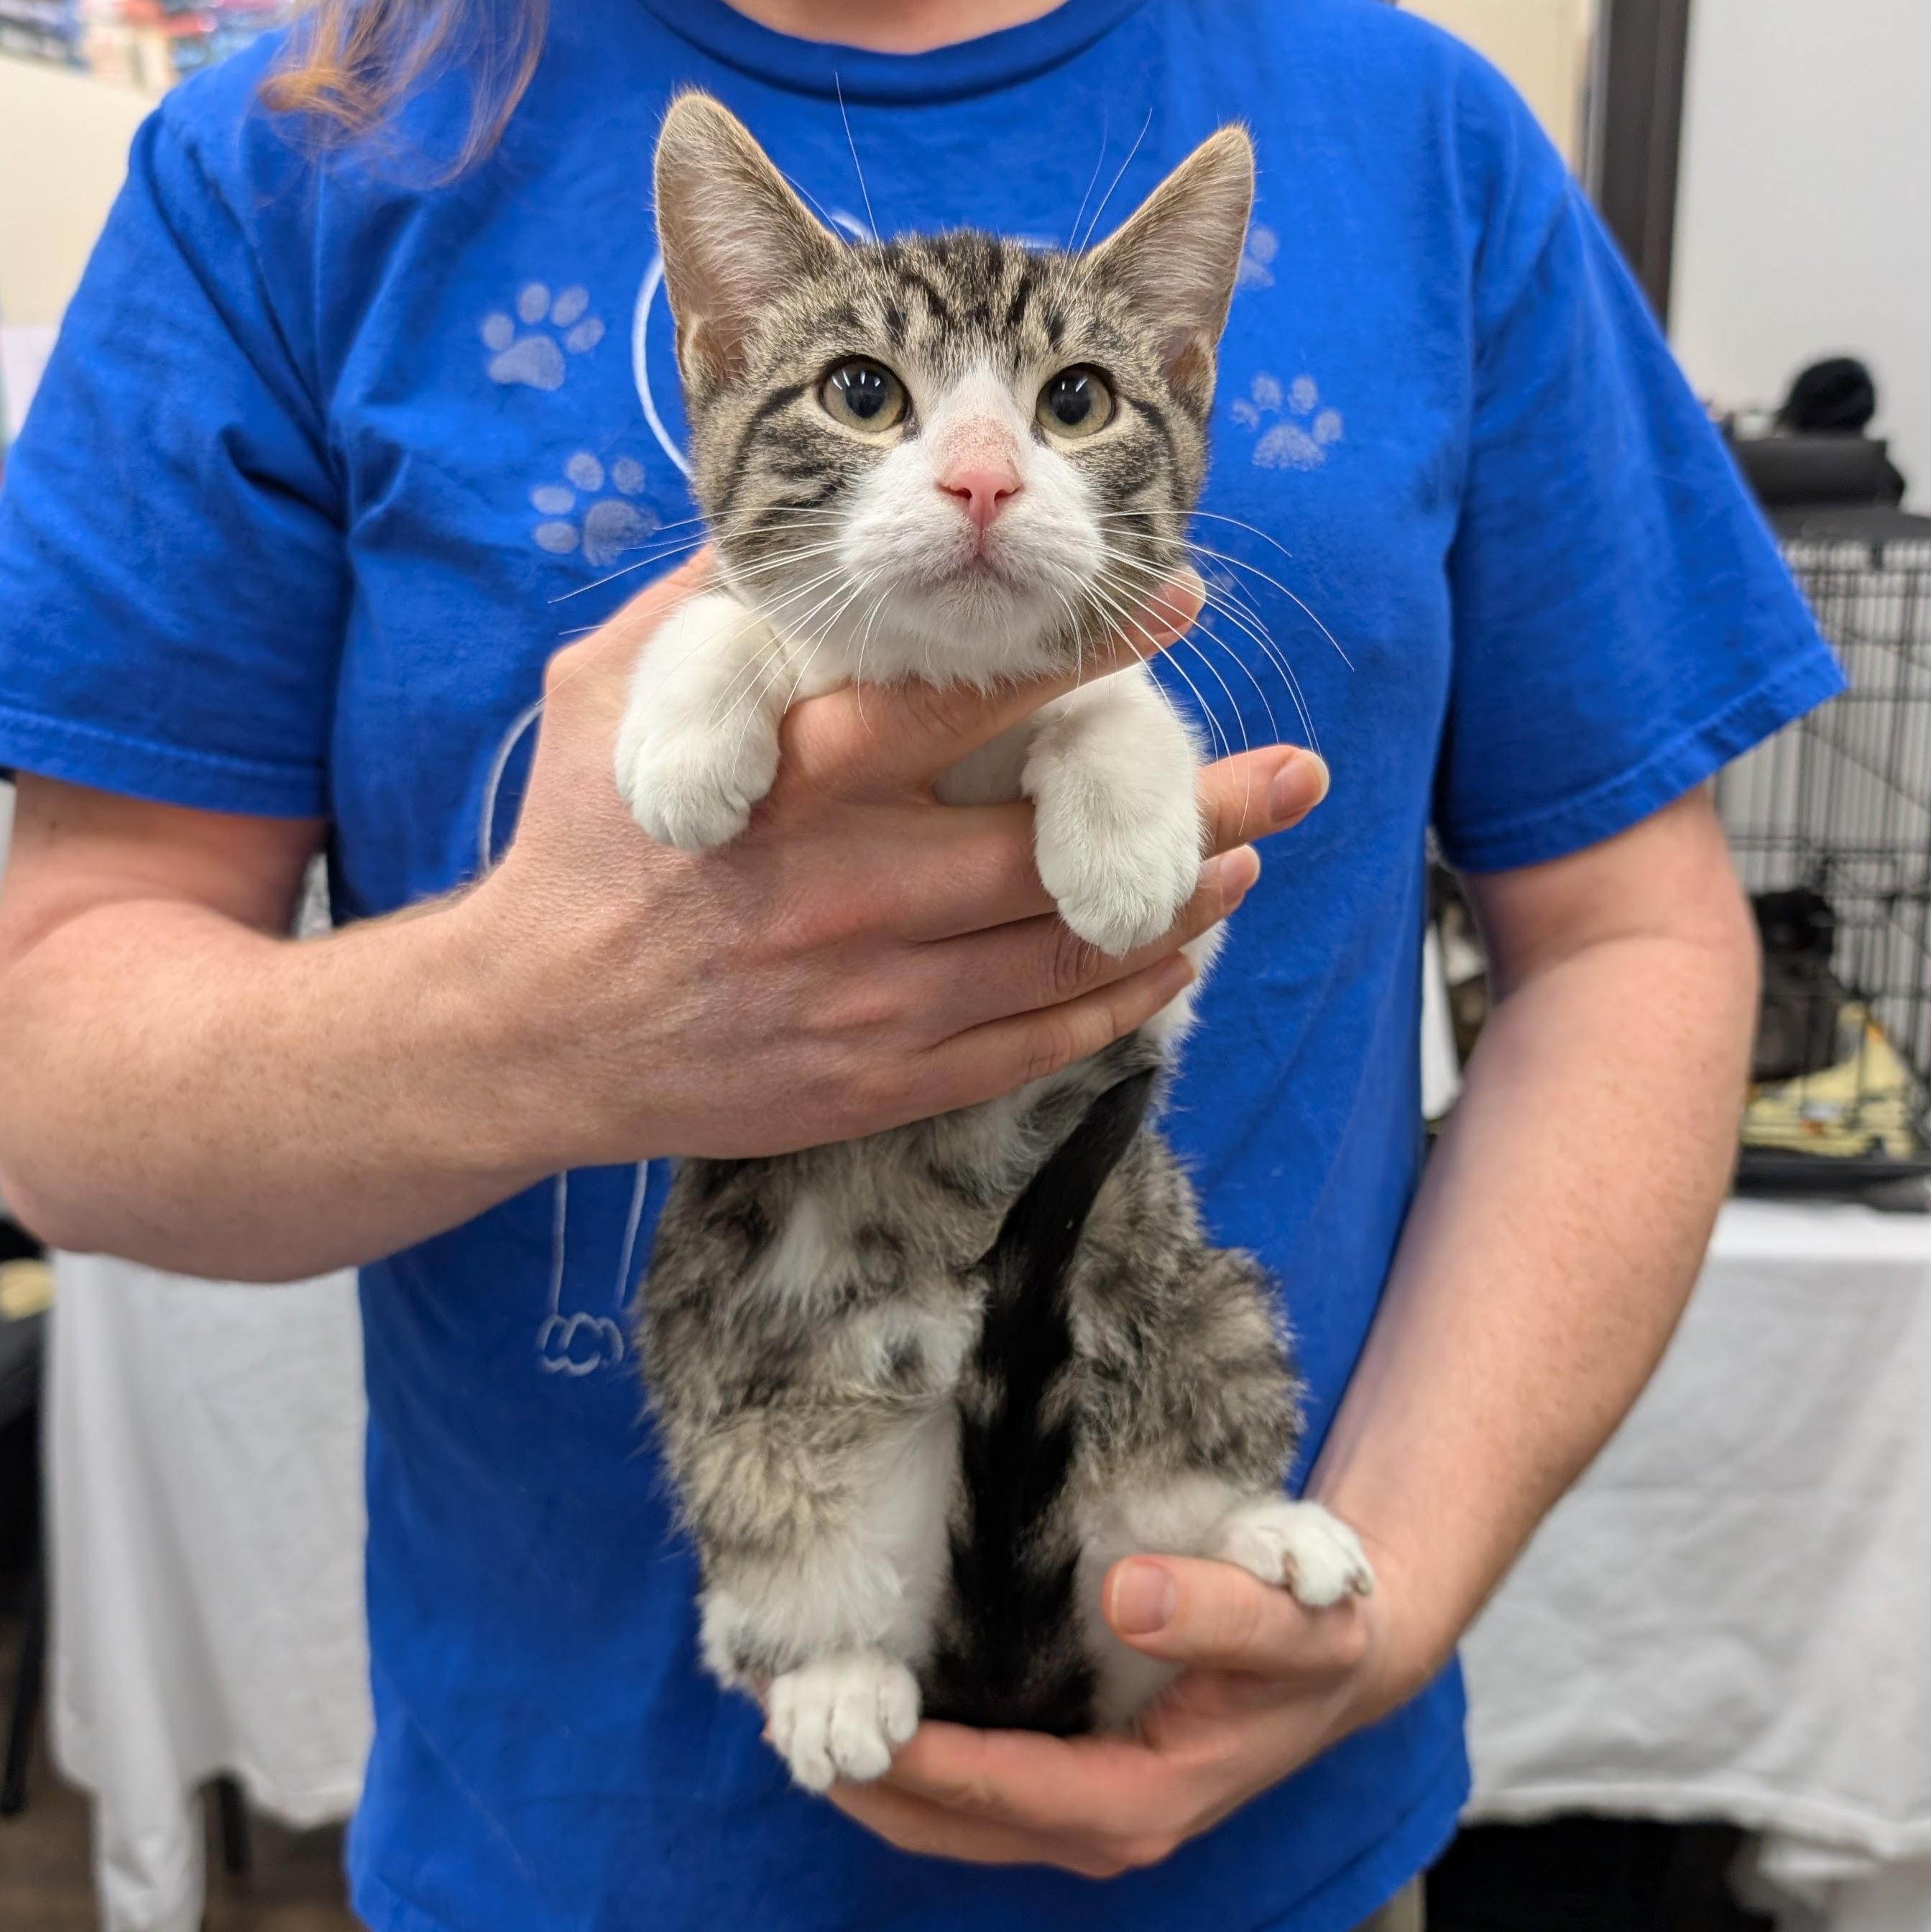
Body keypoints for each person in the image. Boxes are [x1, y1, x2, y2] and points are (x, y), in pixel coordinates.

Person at [0, 1, 1840, 1928]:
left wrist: (1396, 1591)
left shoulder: (1425, 134)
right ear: (717, 354)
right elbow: (50, 1072)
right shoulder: (295, 151)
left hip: (1267, 1838)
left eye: (1069, 408)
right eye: (876, 401)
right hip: (571, 1847)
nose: (971, 476)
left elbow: (1630, 944)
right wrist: (534, 1023)